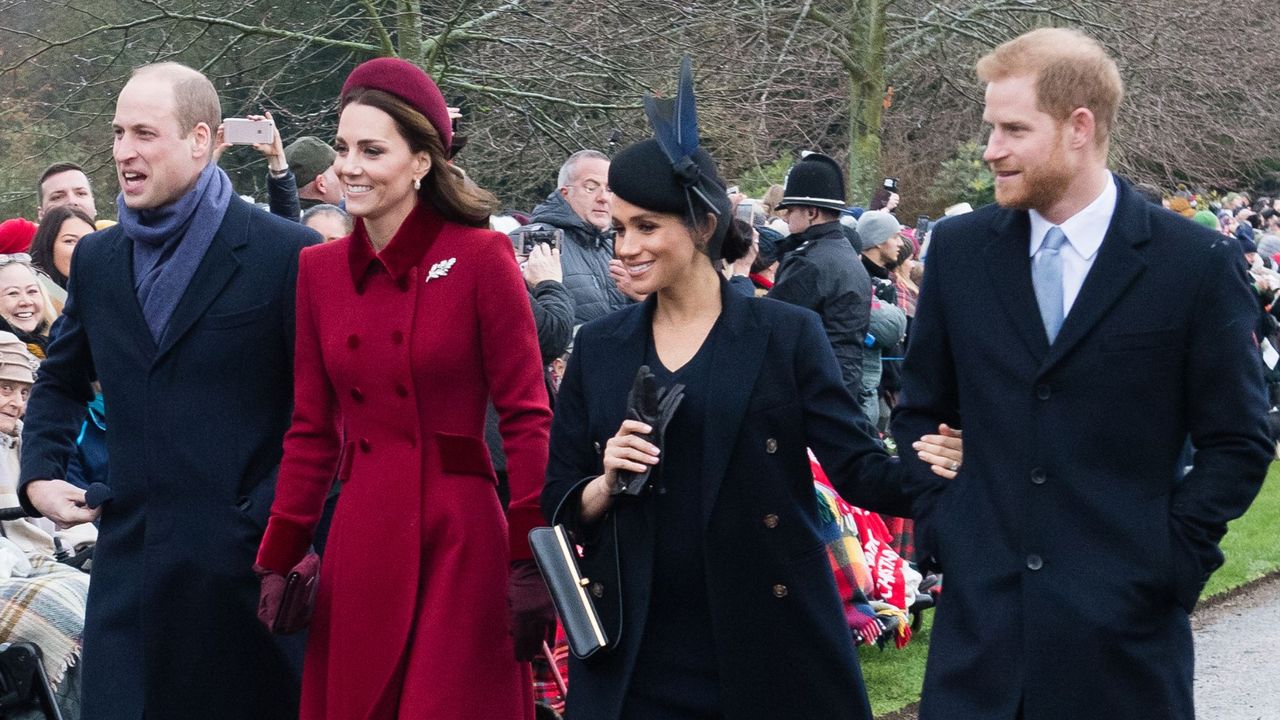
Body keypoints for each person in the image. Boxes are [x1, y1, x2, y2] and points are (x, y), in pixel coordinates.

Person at [542, 62, 962, 720]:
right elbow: (558, 501)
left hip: (767, 640)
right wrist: (603, 481)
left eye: (646, 227)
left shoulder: (783, 334)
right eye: (619, 229)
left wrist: (927, 463)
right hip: (638, 645)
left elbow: (855, 466)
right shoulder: (601, 347)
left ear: (702, 225)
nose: (625, 247)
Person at [892, 28, 1272, 720]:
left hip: (1124, 654)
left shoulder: (1192, 265)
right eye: (989, 128)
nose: (990, 150)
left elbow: (1240, 441)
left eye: (1012, 129)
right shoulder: (959, 253)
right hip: (980, 653)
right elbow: (919, 409)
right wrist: (949, 522)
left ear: (1079, 128)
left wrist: (1168, 562)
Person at [254, 57, 554, 720]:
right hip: (362, 540)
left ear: (422, 161)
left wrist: (532, 557)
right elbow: (311, 429)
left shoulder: (482, 258)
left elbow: (528, 418)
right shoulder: (318, 272)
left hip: (462, 539)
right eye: (341, 148)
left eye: (372, 149)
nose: (350, 166)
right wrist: (280, 552)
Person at [18, 61, 316, 719]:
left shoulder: (286, 253)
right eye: (118, 132)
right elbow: (62, 380)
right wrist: (39, 475)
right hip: (133, 577)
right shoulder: (97, 259)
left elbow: (320, 415)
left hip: (247, 580)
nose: (124, 151)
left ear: (201, 139)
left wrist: (272, 526)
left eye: (145, 134)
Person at [768, 152, 872, 404]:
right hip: (843, 383)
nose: (786, 217)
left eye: (790, 210)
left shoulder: (809, 262)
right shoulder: (844, 251)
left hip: (812, 389)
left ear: (812, 212)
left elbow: (771, 327)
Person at [514, 150, 637, 323]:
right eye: (591, 187)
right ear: (565, 193)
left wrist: (642, 296)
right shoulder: (529, 241)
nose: (603, 198)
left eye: (610, 189)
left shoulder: (620, 245)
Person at [0, 254, 57, 356]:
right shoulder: (5, 353)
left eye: (32, 291)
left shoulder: (57, 347)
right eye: (13, 293)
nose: (26, 302)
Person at [29, 205, 95, 290]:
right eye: (69, 241)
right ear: (49, 245)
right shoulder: (28, 296)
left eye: (90, 240)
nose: (82, 248)